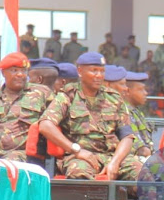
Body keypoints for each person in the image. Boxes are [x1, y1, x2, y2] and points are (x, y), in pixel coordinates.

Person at [39, 52, 140, 180]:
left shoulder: (114, 98)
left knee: (144, 174)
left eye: (102, 71)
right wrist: (76, 150)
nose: (99, 76)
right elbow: (45, 125)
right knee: (79, 173)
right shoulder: (68, 96)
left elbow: (127, 136)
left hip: (112, 156)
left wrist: (115, 162)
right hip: (81, 157)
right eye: (94, 71)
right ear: (80, 71)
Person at [0, 52, 52, 162]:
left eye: (23, 70)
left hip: (22, 155)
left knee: (7, 163)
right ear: (3, 72)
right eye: (14, 70)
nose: (20, 74)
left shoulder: (41, 94)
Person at [125, 71, 154, 158]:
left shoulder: (136, 111)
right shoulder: (125, 112)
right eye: (140, 89)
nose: (145, 93)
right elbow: (143, 151)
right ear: (128, 91)